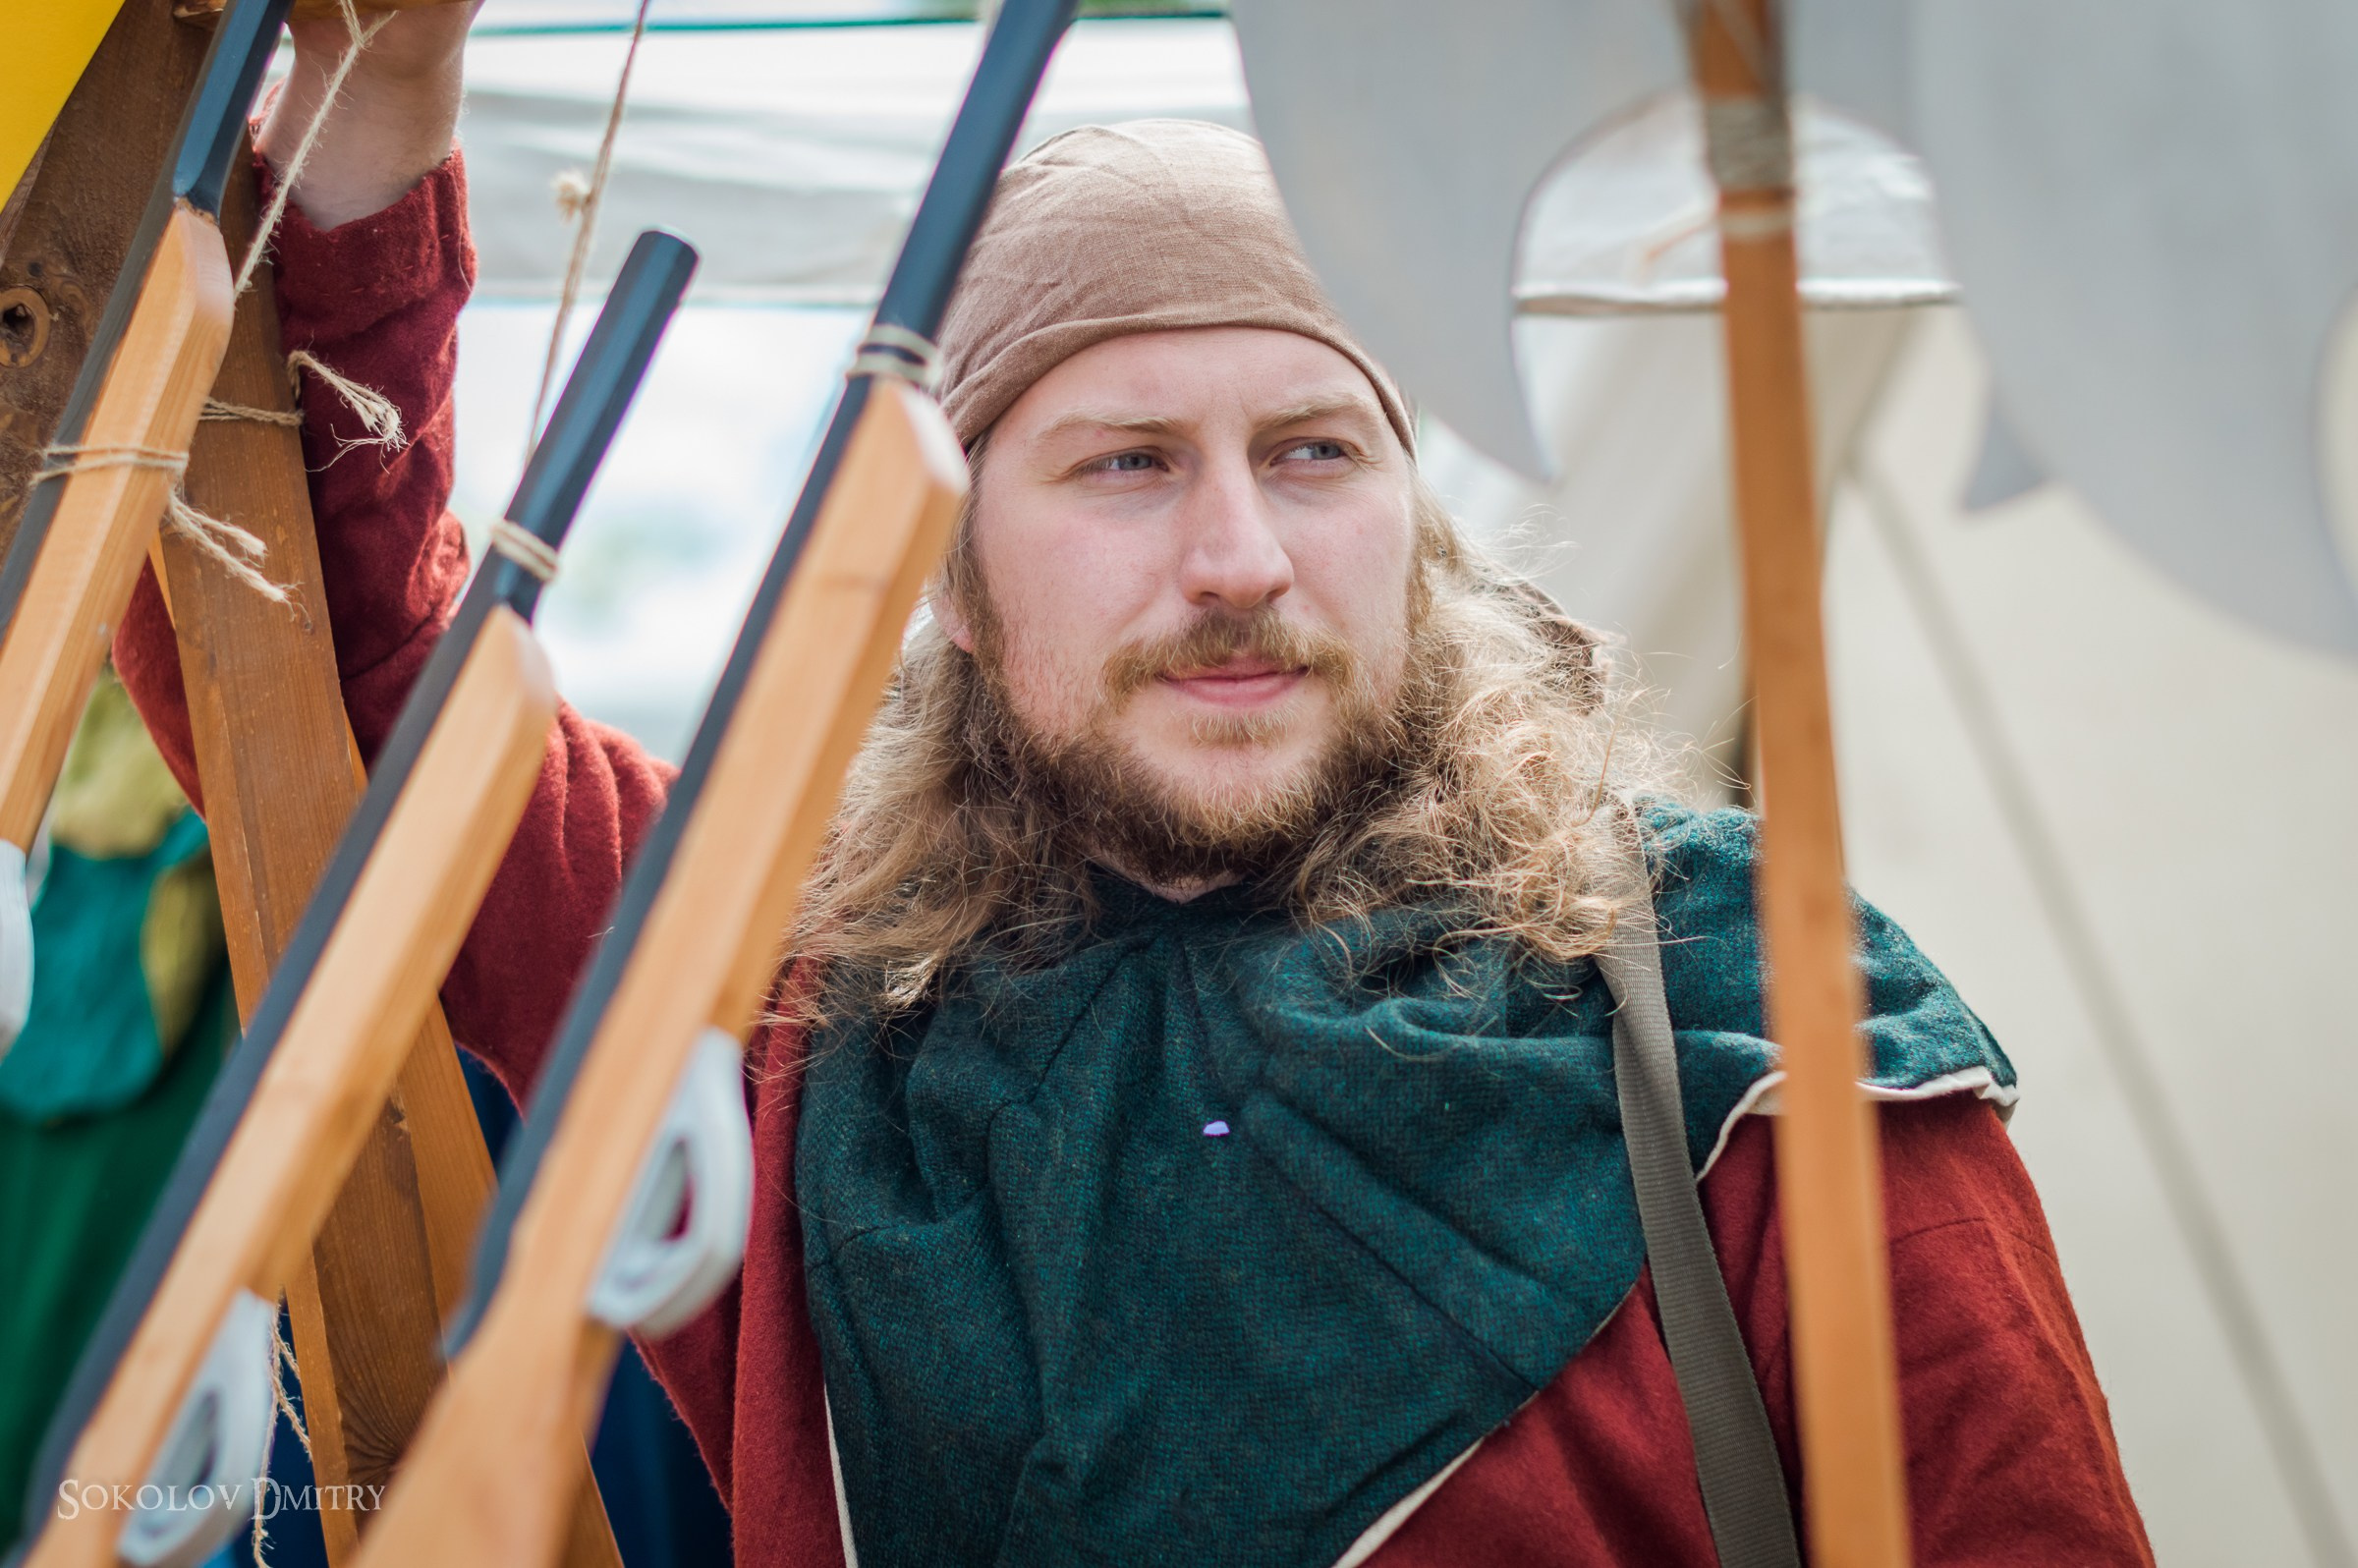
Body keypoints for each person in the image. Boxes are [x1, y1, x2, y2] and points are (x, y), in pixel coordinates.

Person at [114, 9, 2154, 1565]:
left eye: (1315, 452)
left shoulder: (1748, 1001)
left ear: (1414, 529)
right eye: (1125, 463)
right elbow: (323, 665)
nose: (1245, 556)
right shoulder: (764, 1012)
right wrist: (388, 87)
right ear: (963, 588)